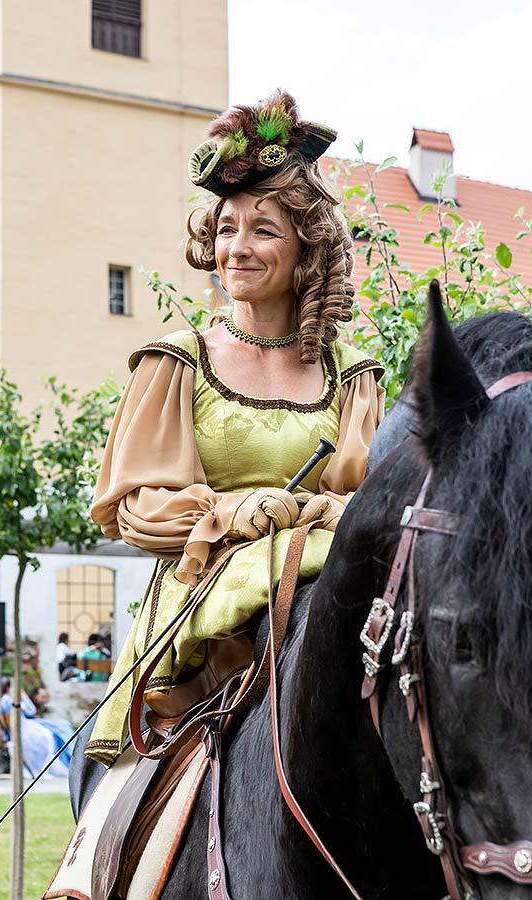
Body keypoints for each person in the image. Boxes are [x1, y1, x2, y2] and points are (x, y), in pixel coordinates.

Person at [86, 91, 385, 766]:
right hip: (196, 651)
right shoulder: (177, 361)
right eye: (226, 229)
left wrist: (316, 511)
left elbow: (377, 506)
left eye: (263, 230)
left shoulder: (355, 375)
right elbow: (138, 508)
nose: (237, 249)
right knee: (116, 838)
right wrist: (233, 511)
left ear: (307, 248)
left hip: (327, 622)